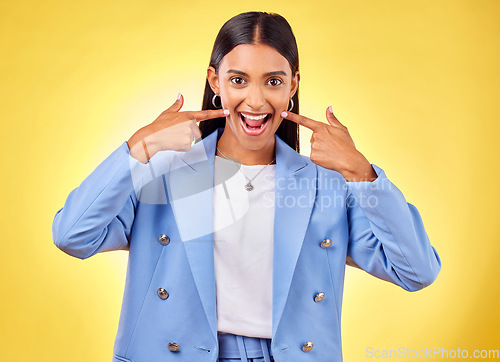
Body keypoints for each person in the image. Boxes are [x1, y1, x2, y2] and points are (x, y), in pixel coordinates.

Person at [52, 11, 441, 362]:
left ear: (293, 85)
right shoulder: (164, 173)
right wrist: (138, 148)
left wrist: (362, 172)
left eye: (273, 81)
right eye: (238, 80)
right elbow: (73, 235)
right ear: (215, 81)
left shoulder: (328, 187)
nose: (255, 101)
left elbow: (416, 271)